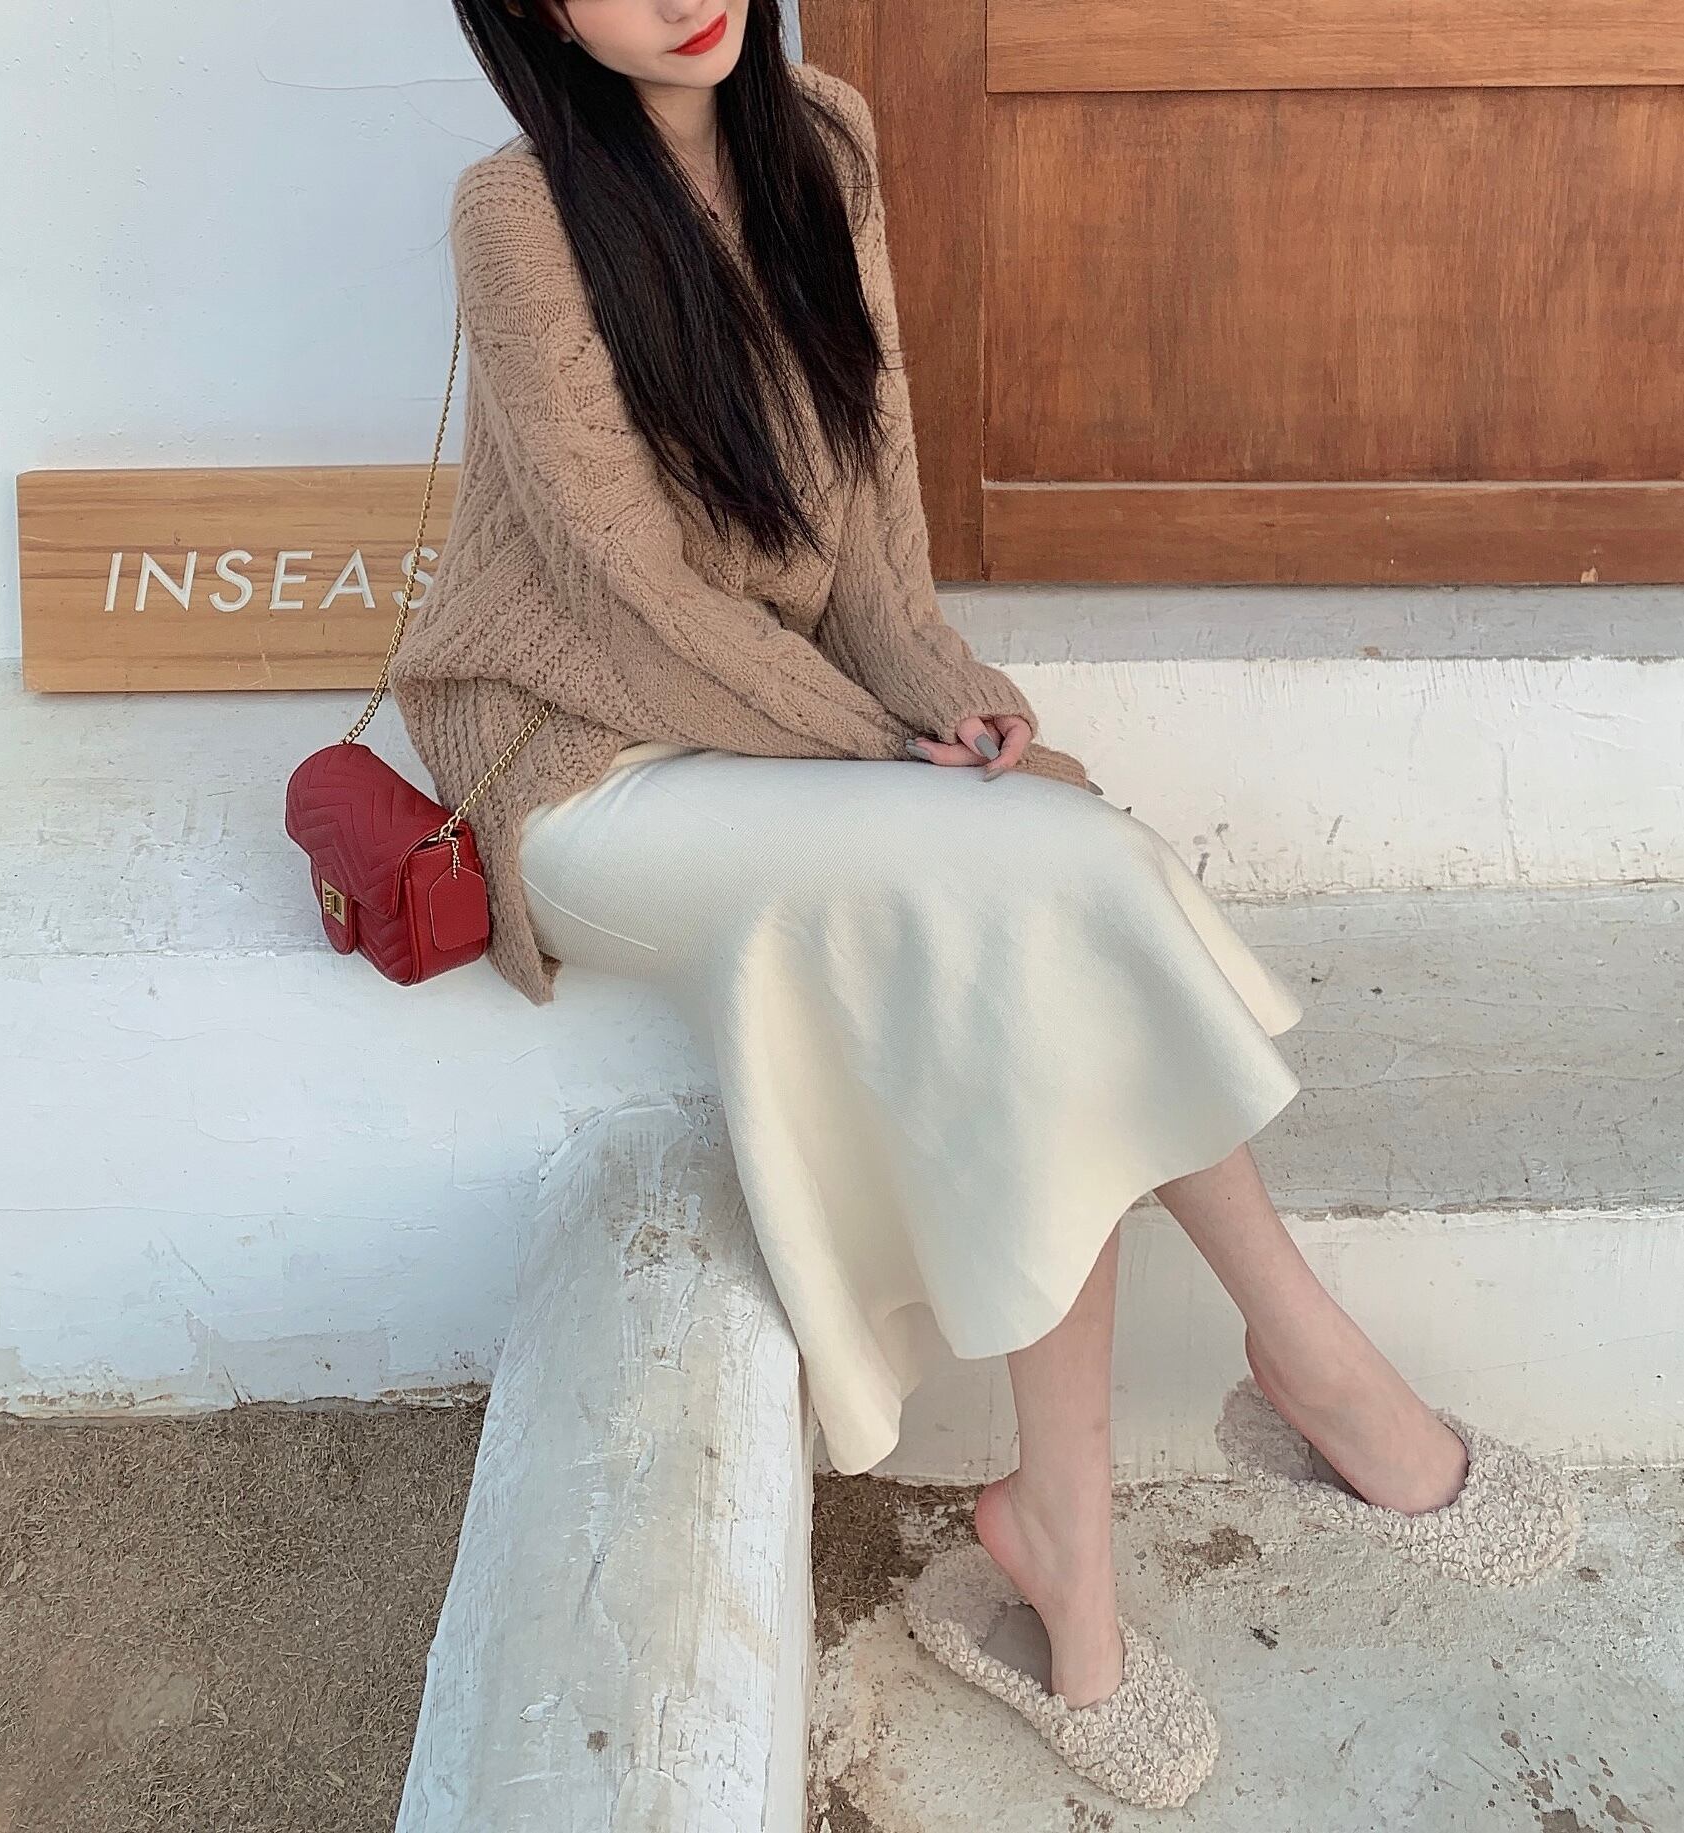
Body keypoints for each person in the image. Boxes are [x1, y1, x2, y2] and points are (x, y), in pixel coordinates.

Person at [391, 0, 1579, 1808]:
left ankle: (1068, 1547)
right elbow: (627, 599)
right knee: (1036, 874)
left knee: (1033, 884)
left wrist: (948, 701)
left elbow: (873, 532)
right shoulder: (521, 210)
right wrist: (886, 749)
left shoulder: (825, 140)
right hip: (583, 762)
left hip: (785, 729)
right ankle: (1308, 1368)